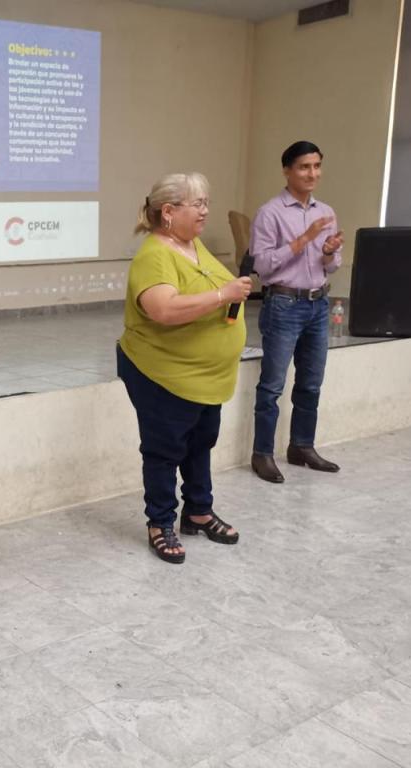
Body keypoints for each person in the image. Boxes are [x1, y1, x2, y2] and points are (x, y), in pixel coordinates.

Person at [116, 173, 250, 564]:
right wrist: (223, 294)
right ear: (169, 212)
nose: (206, 211)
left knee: (200, 443)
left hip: (204, 377)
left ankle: (198, 510)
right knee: (164, 451)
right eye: (198, 204)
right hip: (163, 373)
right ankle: (160, 523)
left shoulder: (192, 244)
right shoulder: (155, 254)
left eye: (206, 202)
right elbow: (163, 309)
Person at [249, 141, 343, 483]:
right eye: (304, 166)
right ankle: (262, 453)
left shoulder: (326, 212)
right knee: (272, 386)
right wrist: (304, 239)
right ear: (287, 170)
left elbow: (333, 265)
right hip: (283, 304)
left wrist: (329, 252)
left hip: (318, 303)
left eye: (317, 166)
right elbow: (262, 265)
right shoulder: (270, 213)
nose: (312, 173)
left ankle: (302, 446)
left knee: (311, 383)